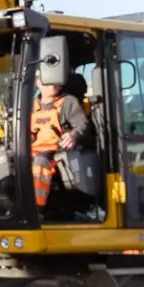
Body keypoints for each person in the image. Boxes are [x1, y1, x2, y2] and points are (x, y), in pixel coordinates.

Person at [29, 71, 91, 213]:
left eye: (55, 79)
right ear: (37, 82)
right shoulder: (30, 105)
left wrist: (74, 135)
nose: (53, 83)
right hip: (31, 149)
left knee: (40, 162)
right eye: (48, 79)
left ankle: (36, 210)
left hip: (56, 150)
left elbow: (82, 125)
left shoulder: (68, 102)